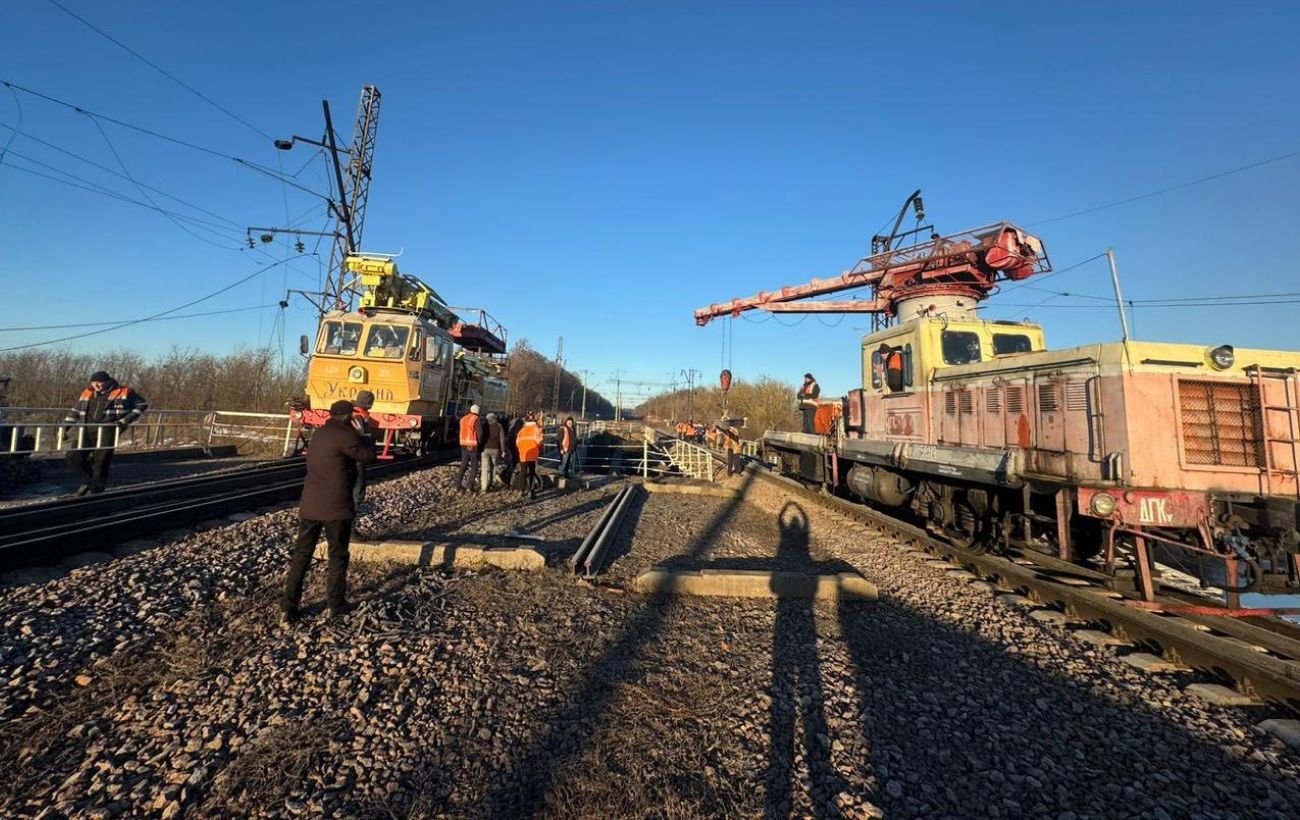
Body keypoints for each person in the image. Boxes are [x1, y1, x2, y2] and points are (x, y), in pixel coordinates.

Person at [282, 399, 376, 623]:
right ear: (348, 417)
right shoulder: (346, 435)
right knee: (337, 556)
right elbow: (368, 456)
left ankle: (288, 607)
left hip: (310, 505)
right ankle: (335, 603)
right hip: (336, 508)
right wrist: (364, 434)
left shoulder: (319, 434)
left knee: (301, 556)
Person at [63, 370, 148, 495]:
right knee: (73, 456)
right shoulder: (87, 392)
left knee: (101, 460)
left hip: (108, 430)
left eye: (100, 382)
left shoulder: (124, 391)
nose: (96, 385)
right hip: (86, 429)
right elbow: (75, 411)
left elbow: (142, 405)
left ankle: (97, 490)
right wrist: (65, 427)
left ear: (108, 382)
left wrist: (125, 420)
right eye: (94, 382)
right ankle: (89, 482)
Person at [351, 391, 376, 506]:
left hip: (349, 454)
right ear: (369, 404)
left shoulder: (352, 413)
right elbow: (362, 436)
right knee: (358, 487)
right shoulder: (360, 416)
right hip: (356, 455)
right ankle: (353, 508)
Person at [514, 412, 544, 499]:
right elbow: (539, 441)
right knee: (531, 473)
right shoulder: (536, 429)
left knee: (523, 473)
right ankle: (531, 491)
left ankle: (521, 490)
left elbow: (517, 443)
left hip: (523, 454)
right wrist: (540, 449)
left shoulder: (522, 430)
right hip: (532, 454)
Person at [456, 404, 485, 492]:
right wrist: (480, 443)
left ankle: (458, 484)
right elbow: (480, 434)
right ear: (478, 411)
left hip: (463, 444)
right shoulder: (476, 419)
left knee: (463, 464)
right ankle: (470, 486)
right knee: (474, 466)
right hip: (472, 446)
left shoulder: (463, 419)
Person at [480, 412, 507, 492]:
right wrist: (503, 451)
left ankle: (484, 487)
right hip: (495, 449)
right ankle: (491, 483)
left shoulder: (484, 425)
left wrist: (480, 448)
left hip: (485, 449)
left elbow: (481, 437)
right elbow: (501, 439)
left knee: (484, 468)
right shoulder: (499, 426)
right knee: (493, 467)